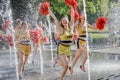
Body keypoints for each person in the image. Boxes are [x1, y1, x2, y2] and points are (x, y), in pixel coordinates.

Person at [49, 7, 74, 80]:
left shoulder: (71, 27)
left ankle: (56, 60)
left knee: (66, 65)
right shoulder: (61, 29)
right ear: (62, 23)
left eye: (65, 20)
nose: (64, 21)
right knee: (66, 66)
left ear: (67, 21)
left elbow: (72, 17)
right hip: (62, 48)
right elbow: (55, 19)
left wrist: (72, 7)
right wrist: (49, 11)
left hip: (68, 49)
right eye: (63, 21)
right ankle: (61, 78)